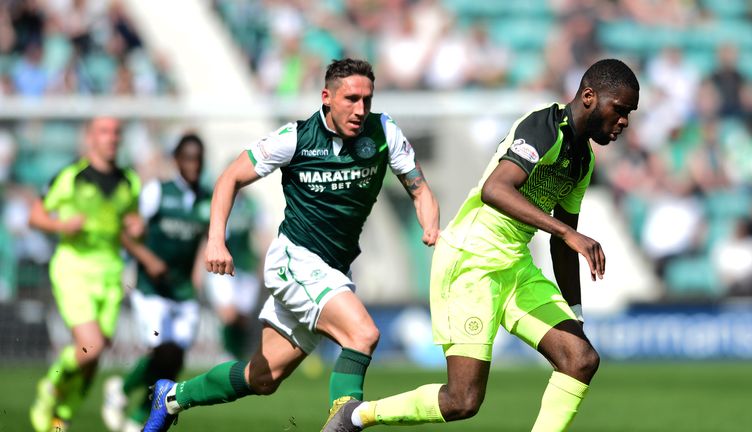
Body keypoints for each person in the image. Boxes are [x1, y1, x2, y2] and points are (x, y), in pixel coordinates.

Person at [323, 58, 640, 432]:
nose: (624, 121)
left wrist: (575, 314)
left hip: (515, 265)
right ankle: (355, 415)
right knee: (462, 400)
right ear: (588, 96)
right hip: (471, 259)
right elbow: (495, 189)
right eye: (620, 109)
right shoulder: (544, 126)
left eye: (629, 114)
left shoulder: (582, 160)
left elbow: (563, 243)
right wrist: (566, 234)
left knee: (580, 358)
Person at [142, 58, 440, 431]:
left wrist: (431, 226)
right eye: (351, 99)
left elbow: (419, 188)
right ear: (327, 97)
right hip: (295, 260)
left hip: (332, 270)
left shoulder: (383, 132)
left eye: (367, 99)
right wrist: (216, 240)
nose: (360, 109)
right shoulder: (295, 138)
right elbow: (231, 177)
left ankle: (172, 396)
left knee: (262, 377)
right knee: (362, 334)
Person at [28, 117, 142, 432]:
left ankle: (61, 417)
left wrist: (137, 228)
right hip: (74, 268)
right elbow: (35, 216)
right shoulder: (70, 176)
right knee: (91, 346)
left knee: (92, 358)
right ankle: (50, 386)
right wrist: (61, 225)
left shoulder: (129, 182)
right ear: (90, 138)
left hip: (111, 273)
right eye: (104, 132)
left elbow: (131, 224)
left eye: (116, 132)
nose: (111, 138)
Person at [101, 133, 211, 431]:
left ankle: (137, 418)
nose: (194, 165)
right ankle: (122, 391)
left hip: (183, 289)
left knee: (175, 358)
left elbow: (207, 239)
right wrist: (148, 259)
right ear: (176, 160)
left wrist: (200, 272)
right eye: (188, 158)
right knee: (161, 349)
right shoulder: (157, 192)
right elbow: (125, 232)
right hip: (151, 288)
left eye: (198, 159)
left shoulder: (207, 199)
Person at [205, 192, 267, 360]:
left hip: (246, 267)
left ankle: (237, 357)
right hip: (222, 266)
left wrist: (262, 265)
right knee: (229, 314)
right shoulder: (216, 201)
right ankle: (226, 355)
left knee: (242, 319)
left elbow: (262, 235)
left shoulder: (252, 204)